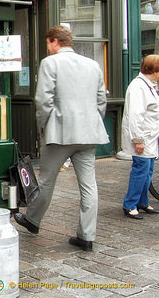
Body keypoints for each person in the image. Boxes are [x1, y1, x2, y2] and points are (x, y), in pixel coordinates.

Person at [14, 25, 109, 252]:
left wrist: (42, 127)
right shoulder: (93, 65)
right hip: (88, 134)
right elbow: (101, 102)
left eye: (48, 43)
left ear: (55, 41)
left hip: (60, 133)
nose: (47, 48)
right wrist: (92, 122)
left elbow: (44, 101)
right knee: (89, 186)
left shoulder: (50, 63)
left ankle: (33, 220)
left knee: (47, 181)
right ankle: (87, 235)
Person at [121, 54, 159, 220]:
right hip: (143, 137)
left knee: (148, 170)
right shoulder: (138, 87)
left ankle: (142, 202)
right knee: (141, 170)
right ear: (155, 70)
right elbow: (136, 116)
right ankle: (129, 205)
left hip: (150, 137)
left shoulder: (148, 85)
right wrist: (138, 140)